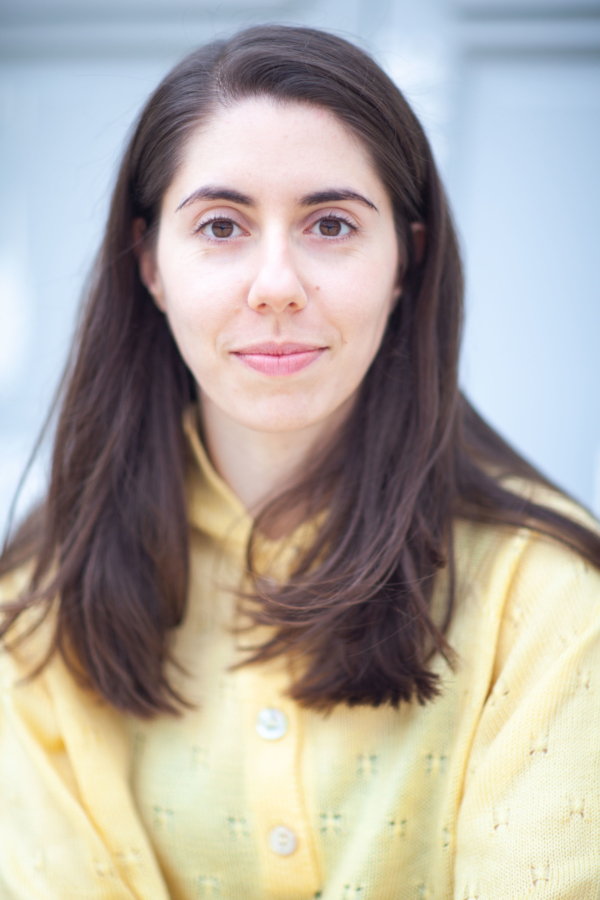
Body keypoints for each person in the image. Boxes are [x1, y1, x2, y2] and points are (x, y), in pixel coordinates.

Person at [0, 24, 599, 900]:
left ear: (407, 260)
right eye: (220, 225)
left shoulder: (546, 596)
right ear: (149, 263)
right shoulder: (33, 603)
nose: (276, 284)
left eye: (330, 224)